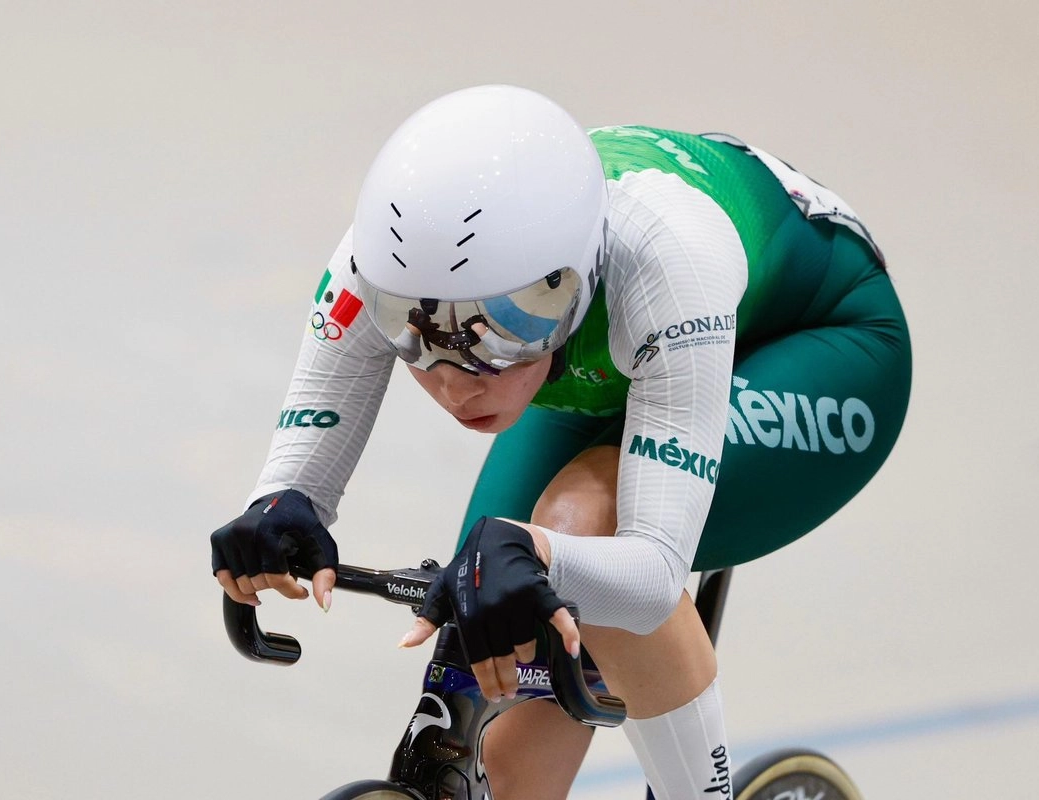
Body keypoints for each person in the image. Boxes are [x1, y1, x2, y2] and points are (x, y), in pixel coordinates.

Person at [210, 84, 911, 800]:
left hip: (816, 340)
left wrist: (544, 554)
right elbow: (297, 479)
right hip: (615, 363)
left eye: (497, 333)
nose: (453, 384)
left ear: (571, 283)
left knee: (575, 530)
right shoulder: (385, 260)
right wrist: (279, 508)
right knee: (490, 607)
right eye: (415, 336)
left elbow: (651, 575)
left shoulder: (667, 261)